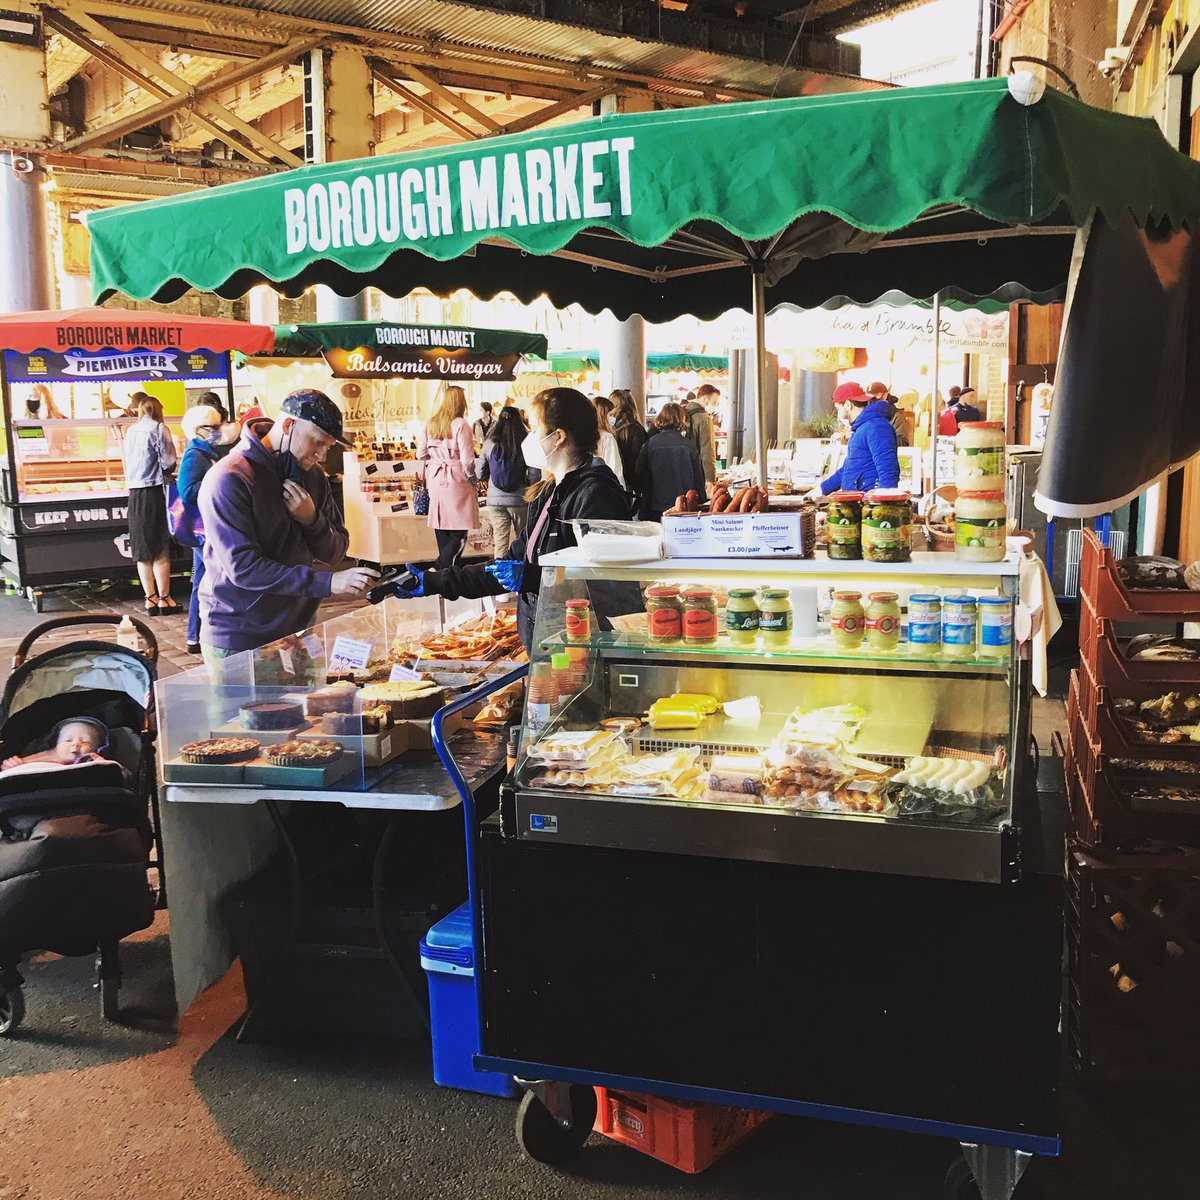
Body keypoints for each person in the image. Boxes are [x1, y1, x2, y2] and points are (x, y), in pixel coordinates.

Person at [382, 387, 630, 650]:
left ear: (558, 437)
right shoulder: (549, 491)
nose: (529, 436)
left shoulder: (596, 494)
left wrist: (533, 578)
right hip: (547, 640)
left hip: (578, 644)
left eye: (534, 428)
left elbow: (604, 581)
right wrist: (437, 581)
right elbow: (508, 564)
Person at [197, 389, 376, 665]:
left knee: (314, 709)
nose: (322, 455)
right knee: (245, 711)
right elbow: (243, 568)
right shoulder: (228, 478)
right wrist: (328, 582)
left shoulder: (314, 476)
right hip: (241, 635)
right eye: (317, 443)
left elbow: (336, 551)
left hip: (299, 630)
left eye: (328, 446)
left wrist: (311, 519)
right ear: (288, 425)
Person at [122, 392, 179, 617]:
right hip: (155, 492)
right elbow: (168, 461)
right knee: (160, 548)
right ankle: (165, 599)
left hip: (134, 493)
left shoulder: (130, 431)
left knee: (142, 550)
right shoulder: (159, 429)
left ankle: (150, 599)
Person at [177, 403, 225, 654]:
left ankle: (196, 634)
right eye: (213, 427)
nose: (218, 431)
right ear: (199, 429)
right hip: (203, 529)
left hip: (207, 527)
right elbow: (187, 491)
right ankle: (195, 635)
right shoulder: (195, 455)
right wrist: (216, 483)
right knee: (204, 582)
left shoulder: (206, 451)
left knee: (205, 580)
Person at [418, 385, 480, 569]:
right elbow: (468, 461)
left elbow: (420, 453)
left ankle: (444, 573)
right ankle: (441, 568)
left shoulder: (431, 423)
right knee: (459, 531)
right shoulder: (461, 424)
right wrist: (472, 478)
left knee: (442, 526)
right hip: (456, 478)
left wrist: (437, 457)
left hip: (435, 478)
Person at [816, 382, 900, 495]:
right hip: (857, 503)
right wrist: (821, 490)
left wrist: (882, 506)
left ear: (847, 405)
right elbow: (849, 468)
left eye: (838, 408)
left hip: (868, 505)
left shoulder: (876, 426)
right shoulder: (860, 428)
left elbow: (888, 469)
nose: (838, 413)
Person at [634, 402, 706, 522]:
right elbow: (698, 477)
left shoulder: (650, 444)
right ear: (681, 419)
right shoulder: (688, 445)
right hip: (683, 506)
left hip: (656, 505)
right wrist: (702, 502)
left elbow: (639, 472)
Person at [475, 404, 531, 559]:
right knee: (523, 539)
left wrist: (485, 479)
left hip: (494, 500)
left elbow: (479, 470)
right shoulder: (526, 442)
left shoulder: (490, 442)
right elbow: (534, 474)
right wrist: (530, 488)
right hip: (520, 500)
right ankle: (522, 576)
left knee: (500, 543)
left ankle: (500, 580)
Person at [2, 717, 110, 771]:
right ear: (56, 745)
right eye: (68, 740)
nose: (76, 744)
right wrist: (11, 766)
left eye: (85, 741)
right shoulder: (39, 759)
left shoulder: (95, 764)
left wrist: (105, 768)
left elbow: (121, 778)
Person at [609, 388, 649, 506]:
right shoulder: (636, 429)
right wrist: (639, 488)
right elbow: (637, 463)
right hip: (628, 486)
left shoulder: (609, 430)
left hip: (611, 482)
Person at [681, 389, 717, 488]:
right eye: (714, 402)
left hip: (679, 473)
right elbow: (707, 451)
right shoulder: (704, 418)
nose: (716, 405)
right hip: (697, 474)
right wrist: (710, 479)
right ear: (705, 399)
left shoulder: (682, 414)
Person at [591, 396, 627, 489]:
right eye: (611, 415)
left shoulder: (583, 437)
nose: (613, 418)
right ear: (602, 416)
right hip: (605, 489)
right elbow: (615, 471)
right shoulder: (607, 438)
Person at [867, 381, 909, 447]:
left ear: (885, 395)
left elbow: (903, 443)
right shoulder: (868, 417)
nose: (872, 399)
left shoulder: (897, 417)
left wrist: (882, 439)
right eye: (870, 396)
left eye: (876, 395)